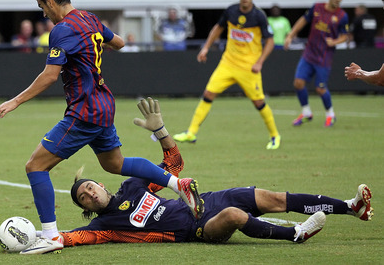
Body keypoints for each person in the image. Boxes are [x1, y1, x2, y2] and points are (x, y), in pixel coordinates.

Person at [0, 0, 203, 255]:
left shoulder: (62, 30)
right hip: (104, 104)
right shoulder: (89, 18)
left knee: (35, 166)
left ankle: (52, 236)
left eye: (42, 7)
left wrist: (15, 101)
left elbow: (50, 75)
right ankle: (178, 184)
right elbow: (120, 42)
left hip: (85, 110)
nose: (44, 13)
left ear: (51, 1)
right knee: (115, 163)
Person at [59, 98, 374, 248]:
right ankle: (295, 234)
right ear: (87, 209)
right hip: (198, 228)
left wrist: (161, 131)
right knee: (235, 215)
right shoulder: (106, 226)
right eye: (84, 199)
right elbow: (74, 238)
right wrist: (42, 238)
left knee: (273, 198)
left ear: (100, 184)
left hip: (206, 200)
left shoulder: (134, 186)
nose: (89, 194)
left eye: (88, 187)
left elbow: (174, 165)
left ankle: (350, 207)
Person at [173, 0, 281, 150]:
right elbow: (217, 28)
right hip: (228, 63)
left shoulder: (259, 16)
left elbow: (270, 41)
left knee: (258, 103)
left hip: (249, 67)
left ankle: (275, 136)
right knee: (208, 94)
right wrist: (206, 48)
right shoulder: (231, 11)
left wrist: (260, 62)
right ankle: (191, 132)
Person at [284, 0, 349, 127]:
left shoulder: (342, 16)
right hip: (309, 54)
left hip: (324, 58)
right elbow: (303, 20)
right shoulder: (317, 8)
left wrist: (335, 41)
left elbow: (345, 36)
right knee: (298, 83)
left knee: (320, 88)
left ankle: (330, 115)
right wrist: (290, 35)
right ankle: (306, 113)